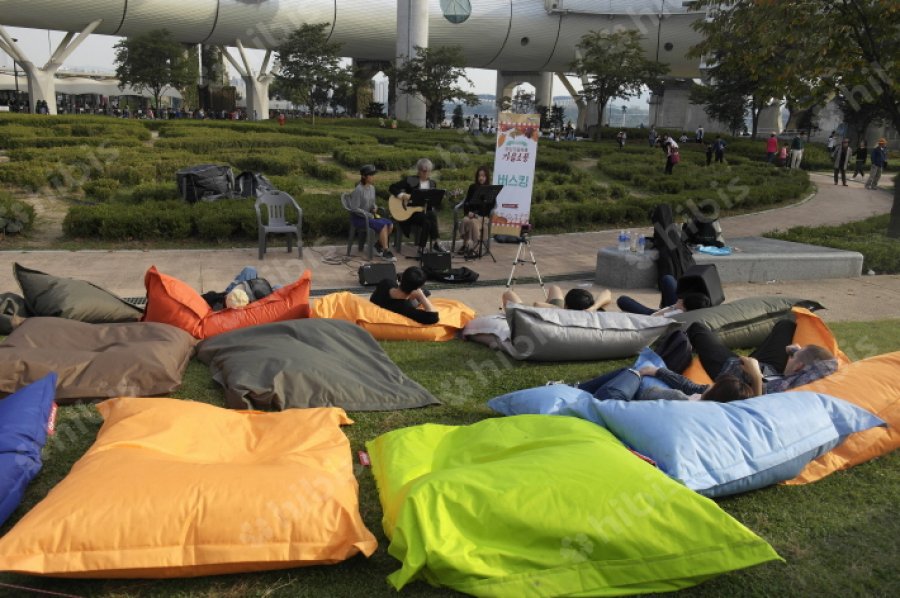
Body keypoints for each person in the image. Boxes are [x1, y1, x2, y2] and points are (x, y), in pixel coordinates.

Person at [687, 319, 838, 394]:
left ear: (799, 367)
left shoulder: (787, 396)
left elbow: (756, 407)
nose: (789, 356)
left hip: (734, 370)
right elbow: (825, 364)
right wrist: (797, 353)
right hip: (773, 371)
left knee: (697, 328)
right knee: (786, 325)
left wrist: (755, 376)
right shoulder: (814, 375)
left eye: (792, 357)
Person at [576, 355, 761, 403]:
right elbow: (689, 386)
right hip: (621, 403)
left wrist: (756, 376)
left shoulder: (682, 400)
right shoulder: (714, 406)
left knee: (632, 373)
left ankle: (575, 389)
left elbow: (648, 394)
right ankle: (575, 388)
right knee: (639, 371)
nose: (708, 386)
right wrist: (756, 378)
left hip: (613, 403)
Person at [388, 158, 447, 255]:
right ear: (419, 170)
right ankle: (435, 244)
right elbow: (392, 187)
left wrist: (438, 198)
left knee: (429, 218)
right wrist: (402, 196)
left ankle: (424, 246)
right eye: (424, 171)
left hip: (424, 213)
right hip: (410, 213)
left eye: (428, 171)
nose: (426, 173)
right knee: (430, 218)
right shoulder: (411, 180)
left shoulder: (432, 183)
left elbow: (431, 204)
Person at [347, 164, 395, 261]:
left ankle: (377, 246)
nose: (373, 177)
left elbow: (373, 203)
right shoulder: (358, 190)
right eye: (371, 175)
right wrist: (368, 214)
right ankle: (385, 251)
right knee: (383, 226)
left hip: (370, 217)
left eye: (373, 175)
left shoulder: (372, 188)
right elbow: (354, 208)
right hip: (359, 219)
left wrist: (375, 207)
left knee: (390, 225)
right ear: (364, 176)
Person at [616, 274, 711, 317]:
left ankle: (665, 306)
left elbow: (653, 317)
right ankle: (665, 305)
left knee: (623, 300)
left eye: (682, 300)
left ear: (683, 307)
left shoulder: (674, 314)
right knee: (668, 279)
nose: (680, 299)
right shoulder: (693, 306)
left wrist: (673, 307)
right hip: (674, 308)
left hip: (657, 315)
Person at [370, 266, 439, 325]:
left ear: (402, 277)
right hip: (404, 301)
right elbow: (433, 317)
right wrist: (421, 295)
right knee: (426, 293)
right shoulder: (405, 308)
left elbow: (372, 299)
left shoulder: (385, 283)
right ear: (417, 289)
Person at [457, 165, 491, 255]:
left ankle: (474, 247)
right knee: (465, 220)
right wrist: (468, 212)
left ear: (487, 177)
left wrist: (476, 215)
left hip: (482, 216)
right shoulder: (472, 187)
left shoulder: (490, 189)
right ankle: (465, 245)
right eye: (479, 175)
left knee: (473, 222)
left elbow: (489, 207)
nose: (481, 178)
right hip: (472, 215)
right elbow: (467, 202)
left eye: (483, 176)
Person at [502, 285, 612, 312]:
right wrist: (594, 307)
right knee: (555, 288)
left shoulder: (560, 312)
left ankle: (507, 318)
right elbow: (607, 292)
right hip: (563, 310)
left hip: (556, 313)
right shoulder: (590, 311)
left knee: (508, 294)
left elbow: (537, 304)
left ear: (566, 305)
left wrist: (556, 309)